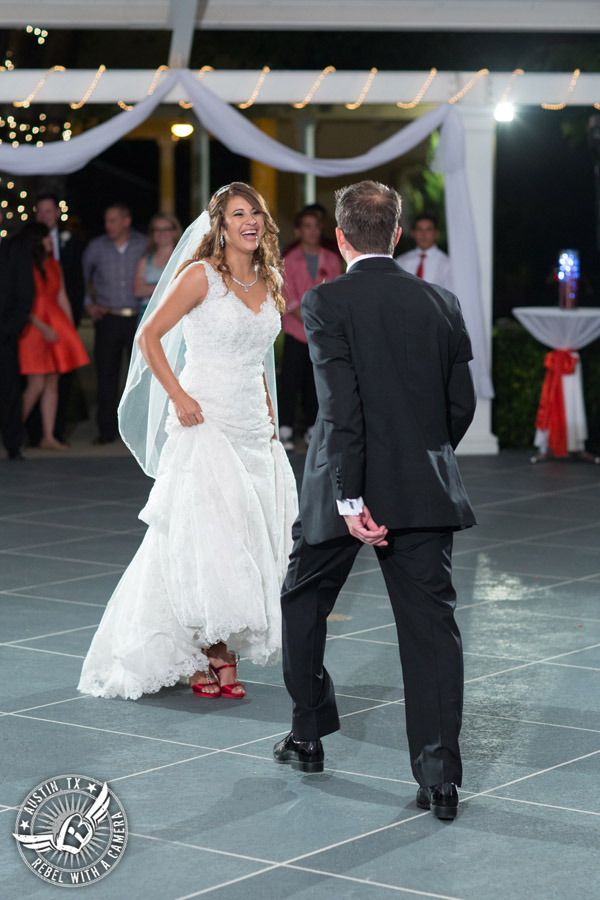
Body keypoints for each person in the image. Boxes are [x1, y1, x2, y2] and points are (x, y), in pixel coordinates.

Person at [273, 181, 476, 823]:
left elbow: (339, 409)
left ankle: (309, 733)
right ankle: (439, 778)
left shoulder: (324, 300)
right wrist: (418, 459)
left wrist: (351, 495)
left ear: (339, 238)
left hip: (342, 490)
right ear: (395, 234)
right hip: (421, 492)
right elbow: (460, 408)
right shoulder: (441, 301)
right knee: (431, 631)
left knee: (303, 601)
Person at [78, 182, 298, 701]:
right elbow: (148, 336)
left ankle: (214, 647)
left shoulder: (270, 279)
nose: (249, 221)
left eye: (256, 214)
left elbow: (260, 359)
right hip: (204, 422)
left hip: (251, 427)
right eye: (237, 214)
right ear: (219, 227)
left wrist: (269, 413)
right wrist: (178, 396)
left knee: (246, 537)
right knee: (209, 538)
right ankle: (215, 655)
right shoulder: (200, 276)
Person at [17, 223, 90, 450]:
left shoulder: (55, 265)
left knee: (52, 382)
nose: (51, 241)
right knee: (36, 383)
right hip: (33, 329)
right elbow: (19, 302)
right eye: (47, 238)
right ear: (36, 241)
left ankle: (48, 437)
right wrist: (42, 326)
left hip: (56, 326)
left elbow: (62, 297)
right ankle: (13, 431)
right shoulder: (22, 266)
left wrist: (70, 330)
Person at [278, 208, 342, 450]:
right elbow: (287, 295)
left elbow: (335, 293)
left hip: (321, 332)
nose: (312, 231)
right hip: (296, 329)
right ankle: (285, 428)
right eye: (307, 226)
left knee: (316, 379)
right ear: (298, 230)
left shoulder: (332, 259)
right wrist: (308, 317)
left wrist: (321, 320)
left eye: (316, 226)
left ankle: (312, 427)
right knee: (290, 378)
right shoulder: (289, 259)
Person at [82, 203, 146, 444]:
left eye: (113, 220)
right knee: (106, 376)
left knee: (140, 376)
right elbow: (82, 277)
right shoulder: (96, 247)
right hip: (107, 319)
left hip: (138, 320)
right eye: (106, 220)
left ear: (126, 221)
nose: (108, 225)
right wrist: (89, 303)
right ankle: (106, 430)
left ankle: (138, 431)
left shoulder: (142, 244)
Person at [0, 213, 35, 459]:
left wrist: (12, 328)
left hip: (4, 333)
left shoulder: (14, 249)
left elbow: (26, 292)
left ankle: (13, 444)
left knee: (9, 389)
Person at [134, 212, 182, 319]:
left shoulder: (182, 259)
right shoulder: (145, 260)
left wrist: (149, 288)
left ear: (174, 232)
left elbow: (184, 289)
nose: (161, 233)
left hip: (173, 316)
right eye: (157, 229)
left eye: (166, 229)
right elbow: (138, 291)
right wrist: (168, 285)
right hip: (147, 317)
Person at [395, 213, 453, 291]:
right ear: (413, 233)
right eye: (419, 229)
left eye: (428, 230)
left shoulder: (447, 263)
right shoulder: (401, 261)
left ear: (436, 233)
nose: (424, 234)